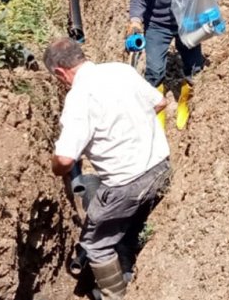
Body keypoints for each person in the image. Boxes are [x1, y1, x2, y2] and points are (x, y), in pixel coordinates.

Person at [44, 37, 171, 300]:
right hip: (161, 168)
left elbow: (66, 159)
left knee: (96, 245)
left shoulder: (79, 98)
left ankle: (116, 295)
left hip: (127, 185)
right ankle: (129, 251)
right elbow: (159, 103)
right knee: (129, 222)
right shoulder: (121, 70)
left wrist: (55, 167)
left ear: (59, 71)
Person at [128, 0, 222, 130]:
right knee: (153, 70)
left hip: (189, 23)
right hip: (158, 23)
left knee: (195, 67)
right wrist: (135, 20)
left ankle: (186, 101)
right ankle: (155, 111)